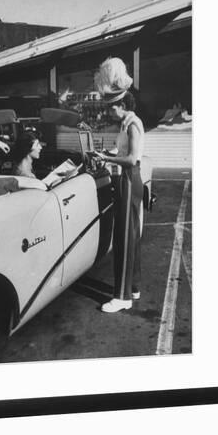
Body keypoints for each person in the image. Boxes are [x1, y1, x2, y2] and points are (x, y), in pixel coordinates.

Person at [94, 58, 145, 313]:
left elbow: (131, 159)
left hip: (128, 177)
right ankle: (133, 288)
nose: (109, 111)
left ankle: (122, 297)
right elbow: (124, 150)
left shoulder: (133, 124)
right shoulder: (127, 123)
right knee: (131, 236)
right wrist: (109, 151)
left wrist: (106, 158)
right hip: (130, 179)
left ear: (122, 105)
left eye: (112, 107)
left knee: (123, 237)